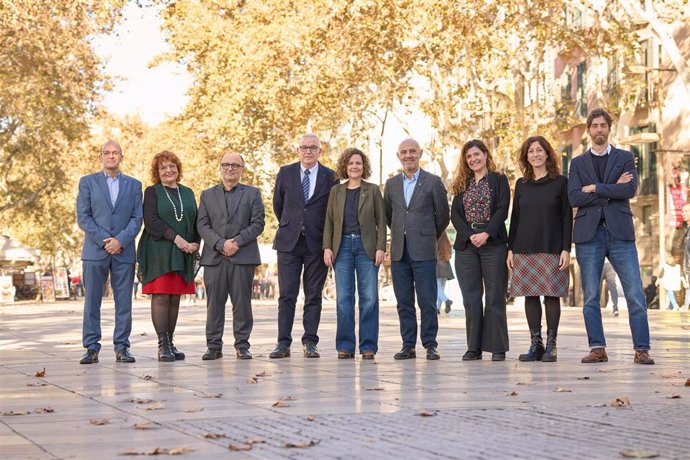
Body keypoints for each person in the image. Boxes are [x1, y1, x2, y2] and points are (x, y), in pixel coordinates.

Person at [568, 108, 654, 364]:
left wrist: (595, 188)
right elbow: (574, 197)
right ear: (588, 130)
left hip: (620, 235)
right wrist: (611, 189)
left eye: (603, 125)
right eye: (594, 126)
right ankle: (597, 348)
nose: (598, 130)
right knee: (591, 296)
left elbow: (629, 188)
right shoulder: (577, 163)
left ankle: (642, 349)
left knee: (635, 294)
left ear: (609, 128)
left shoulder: (625, 157)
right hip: (588, 235)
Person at [270, 134, 337, 359]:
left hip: (317, 244)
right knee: (287, 295)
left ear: (320, 151)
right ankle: (283, 343)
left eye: (313, 148)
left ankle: (310, 342)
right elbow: (277, 205)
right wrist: (292, 224)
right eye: (304, 148)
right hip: (289, 242)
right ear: (298, 151)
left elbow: (332, 212)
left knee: (313, 295)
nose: (308, 151)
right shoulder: (285, 172)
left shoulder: (331, 176)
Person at [76, 141, 142, 364]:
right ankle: (91, 348)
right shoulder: (87, 182)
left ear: (121, 157)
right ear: (100, 157)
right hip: (95, 251)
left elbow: (137, 218)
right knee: (92, 301)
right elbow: (83, 217)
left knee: (124, 302)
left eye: (115, 153)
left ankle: (122, 347)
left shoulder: (134, 185)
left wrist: (120, 240)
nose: (111, 156)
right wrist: (106, 241)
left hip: (123, 251)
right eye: (107, 153)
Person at [507, 136, 572, 363]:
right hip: (524, 247)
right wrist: (510, 248)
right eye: (531, 151)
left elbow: (566, 218)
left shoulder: (561, 182)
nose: (535, 154)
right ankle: (536, 344)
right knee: (530, 296)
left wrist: (566, 249)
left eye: (539, 150)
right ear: (526, 156)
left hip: (553, 247)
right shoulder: (521, 184)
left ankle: (551, 346)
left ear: (547, 154)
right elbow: (515, 218)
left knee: (552, 295)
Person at [384, 138, 450, 360]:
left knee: (427, 300)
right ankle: (408, 345)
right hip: (399, 252)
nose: (408, 155)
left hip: (424, 250)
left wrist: (427, 234)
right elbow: (388, 215)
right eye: (404, 152)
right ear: (398, 156)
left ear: (420, 153)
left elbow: (442, 216)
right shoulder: (391, 185)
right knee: (404, 302)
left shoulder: (433, 182)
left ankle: (430, 344)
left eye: (413, 151)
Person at [197, 152, 265, 360]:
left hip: (242, 256)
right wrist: (220, 244)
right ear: (220, 167)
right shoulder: (207, 195)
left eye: (235, 165)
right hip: (214, 258)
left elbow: (258, 223)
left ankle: (242, 344)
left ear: (242, 170)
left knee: (242, 303)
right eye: (226, 164)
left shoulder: (252, 193)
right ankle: (213, 346)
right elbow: (202, 224)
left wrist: (236, 242)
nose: (230, 168)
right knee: (214, 304)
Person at [323, 148, 386, 359]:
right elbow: (330, 222)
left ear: (363, 166)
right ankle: (345, 346)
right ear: (345, 166)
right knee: (344, 299)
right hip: (342, 249)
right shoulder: (336, 192)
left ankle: (368, 346)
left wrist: (380, 248)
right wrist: (327, 247)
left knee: (369, 298)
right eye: (350, 163)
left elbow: (382, 221)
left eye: (358, 163)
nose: (354, 167)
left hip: (366, 247)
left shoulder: (373, 190)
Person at [136, 151, 199, 362]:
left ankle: (171, 342)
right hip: (159, 250)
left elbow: (197, 220)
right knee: (162, 295)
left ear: (178, 169)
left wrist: (196, 242)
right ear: (157, 172)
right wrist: (178, 240)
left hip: (182, 253)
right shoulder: (152, 192)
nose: (168, 170)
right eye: (163, 168)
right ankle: (162, 345)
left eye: (172, 166)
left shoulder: (188, 192)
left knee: (175, 297)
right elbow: (152, 221)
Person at [450, 139, 510, 361]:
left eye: (476, 154)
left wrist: (486, 234)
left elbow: (503, 209)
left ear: (485, 155)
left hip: (493, 244)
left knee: (495, 296)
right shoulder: (462, 184)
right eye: (468, 157)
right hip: (466, 246)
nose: (473, 159)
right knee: (471, 298)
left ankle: (497, 347)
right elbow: (455, 214)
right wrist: (469, 235)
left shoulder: (498, 179)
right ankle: (473, 347)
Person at [436, 232, 455, 314]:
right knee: (441, 288)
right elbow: (450, 255)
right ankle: (437, 308)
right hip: (445, 266)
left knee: (436, 288)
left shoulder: (435, 241)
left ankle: (446, 300)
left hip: (436, 265)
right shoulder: (447, 243)